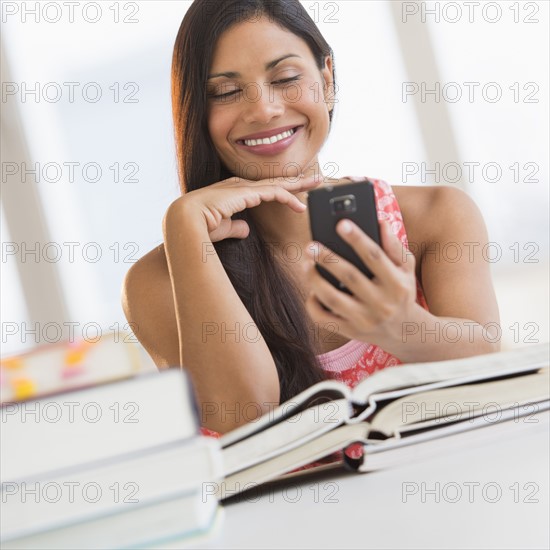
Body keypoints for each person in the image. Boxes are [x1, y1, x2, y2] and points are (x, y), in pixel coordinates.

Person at [122, 0, 500, 436]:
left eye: (285, 79)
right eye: (225, 92)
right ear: (196, 112)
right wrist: (185, 231)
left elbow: (495, 372)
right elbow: (239, 419)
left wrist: (400, 326)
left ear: (327, 80)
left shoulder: (435, 218)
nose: (263, 110)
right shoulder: (157, 282)